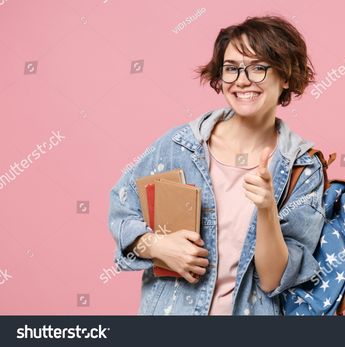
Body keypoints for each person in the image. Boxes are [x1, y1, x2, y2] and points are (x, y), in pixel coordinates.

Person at [108, 15, 325, 315]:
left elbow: (274, 278)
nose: (242, 80)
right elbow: (121, 210)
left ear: (285, 76)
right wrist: (157, 246)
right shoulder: (180, 146)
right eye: (232, 69)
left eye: (258, 68)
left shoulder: (303, 167)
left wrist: (266, 209)